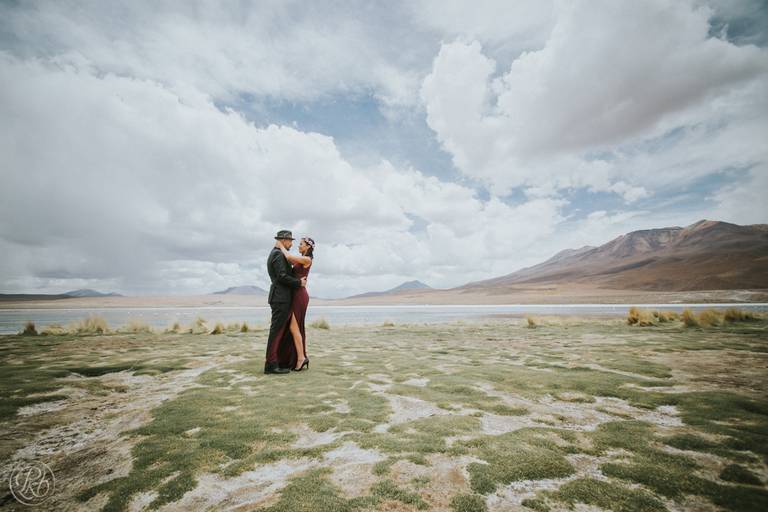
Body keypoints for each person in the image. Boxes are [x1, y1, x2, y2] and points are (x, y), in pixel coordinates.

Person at [264, 230, 306, 375]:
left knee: (279, 331)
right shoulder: (277, 254)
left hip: (281, 298)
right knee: (276, 332)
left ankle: (277, 361)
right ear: (283, 240)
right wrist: (298, 283)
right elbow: (281, 276)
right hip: (280, 298)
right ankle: (270, 364)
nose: (291, 244)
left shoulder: (277, 253)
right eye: (290, 241)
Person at [276, 236, 314, 371]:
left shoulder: (307, 259)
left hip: (300, 296)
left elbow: (289, 257)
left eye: (301, 244)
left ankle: (301, 358)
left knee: (294, 327)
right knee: (294, 327)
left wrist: (280, 245)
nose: (298, 246)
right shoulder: (302, 259)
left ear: (308, 246)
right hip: (295, 294)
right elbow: (289, 262)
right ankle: (296, 357)